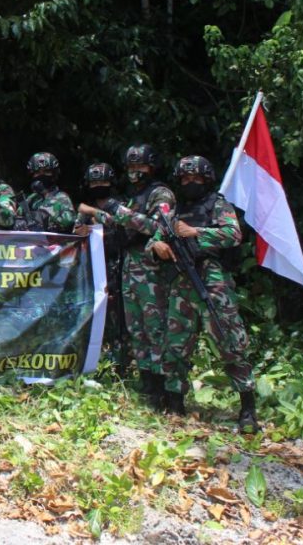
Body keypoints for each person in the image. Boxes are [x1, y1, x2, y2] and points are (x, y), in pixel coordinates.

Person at [148, 156, 258, 432]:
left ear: (206, 179)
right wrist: (157, 247)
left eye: (195, 178)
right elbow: (155, 239)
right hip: (181, 282)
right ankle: (175, 403)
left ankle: (247, 407)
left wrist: (196, 232)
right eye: (185, 179)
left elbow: (233, 234)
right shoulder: (174, 211)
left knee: (229, 340)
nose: (190, 183)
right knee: (176, 343)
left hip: (212, 281)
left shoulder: (217, 205)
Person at [77, 144, 175, 406]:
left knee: (155, 328)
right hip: (131, 269)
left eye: (139, 166)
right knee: (136, 329)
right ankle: (147, 383)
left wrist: (115, 209)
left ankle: (164, 386)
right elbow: (118, 222)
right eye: (131, 167)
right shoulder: (135, 196)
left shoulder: (160, 194)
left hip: (152, 271)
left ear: (151, 167)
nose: (135, 171)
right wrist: (94, 216)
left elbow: (157, 225)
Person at [74, 162, 129, 374]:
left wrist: (93, 213)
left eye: (103, 182)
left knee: (118, 320)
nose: (98, 186)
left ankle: (120, 366)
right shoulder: (84, 211)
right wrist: (79, 231)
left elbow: (123, 223)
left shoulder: (120, 205)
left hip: (118, 267)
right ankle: (95, 366)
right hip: (93, 271)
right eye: (94, 183)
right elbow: (74, 233)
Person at [22, 152, 75, 233]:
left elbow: (68, 221)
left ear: (54, 174)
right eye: (37, 172)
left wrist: (46, 217)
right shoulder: (31, 199)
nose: (41, 175)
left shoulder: (62, 197)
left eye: (46, 171)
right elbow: (17, 216)